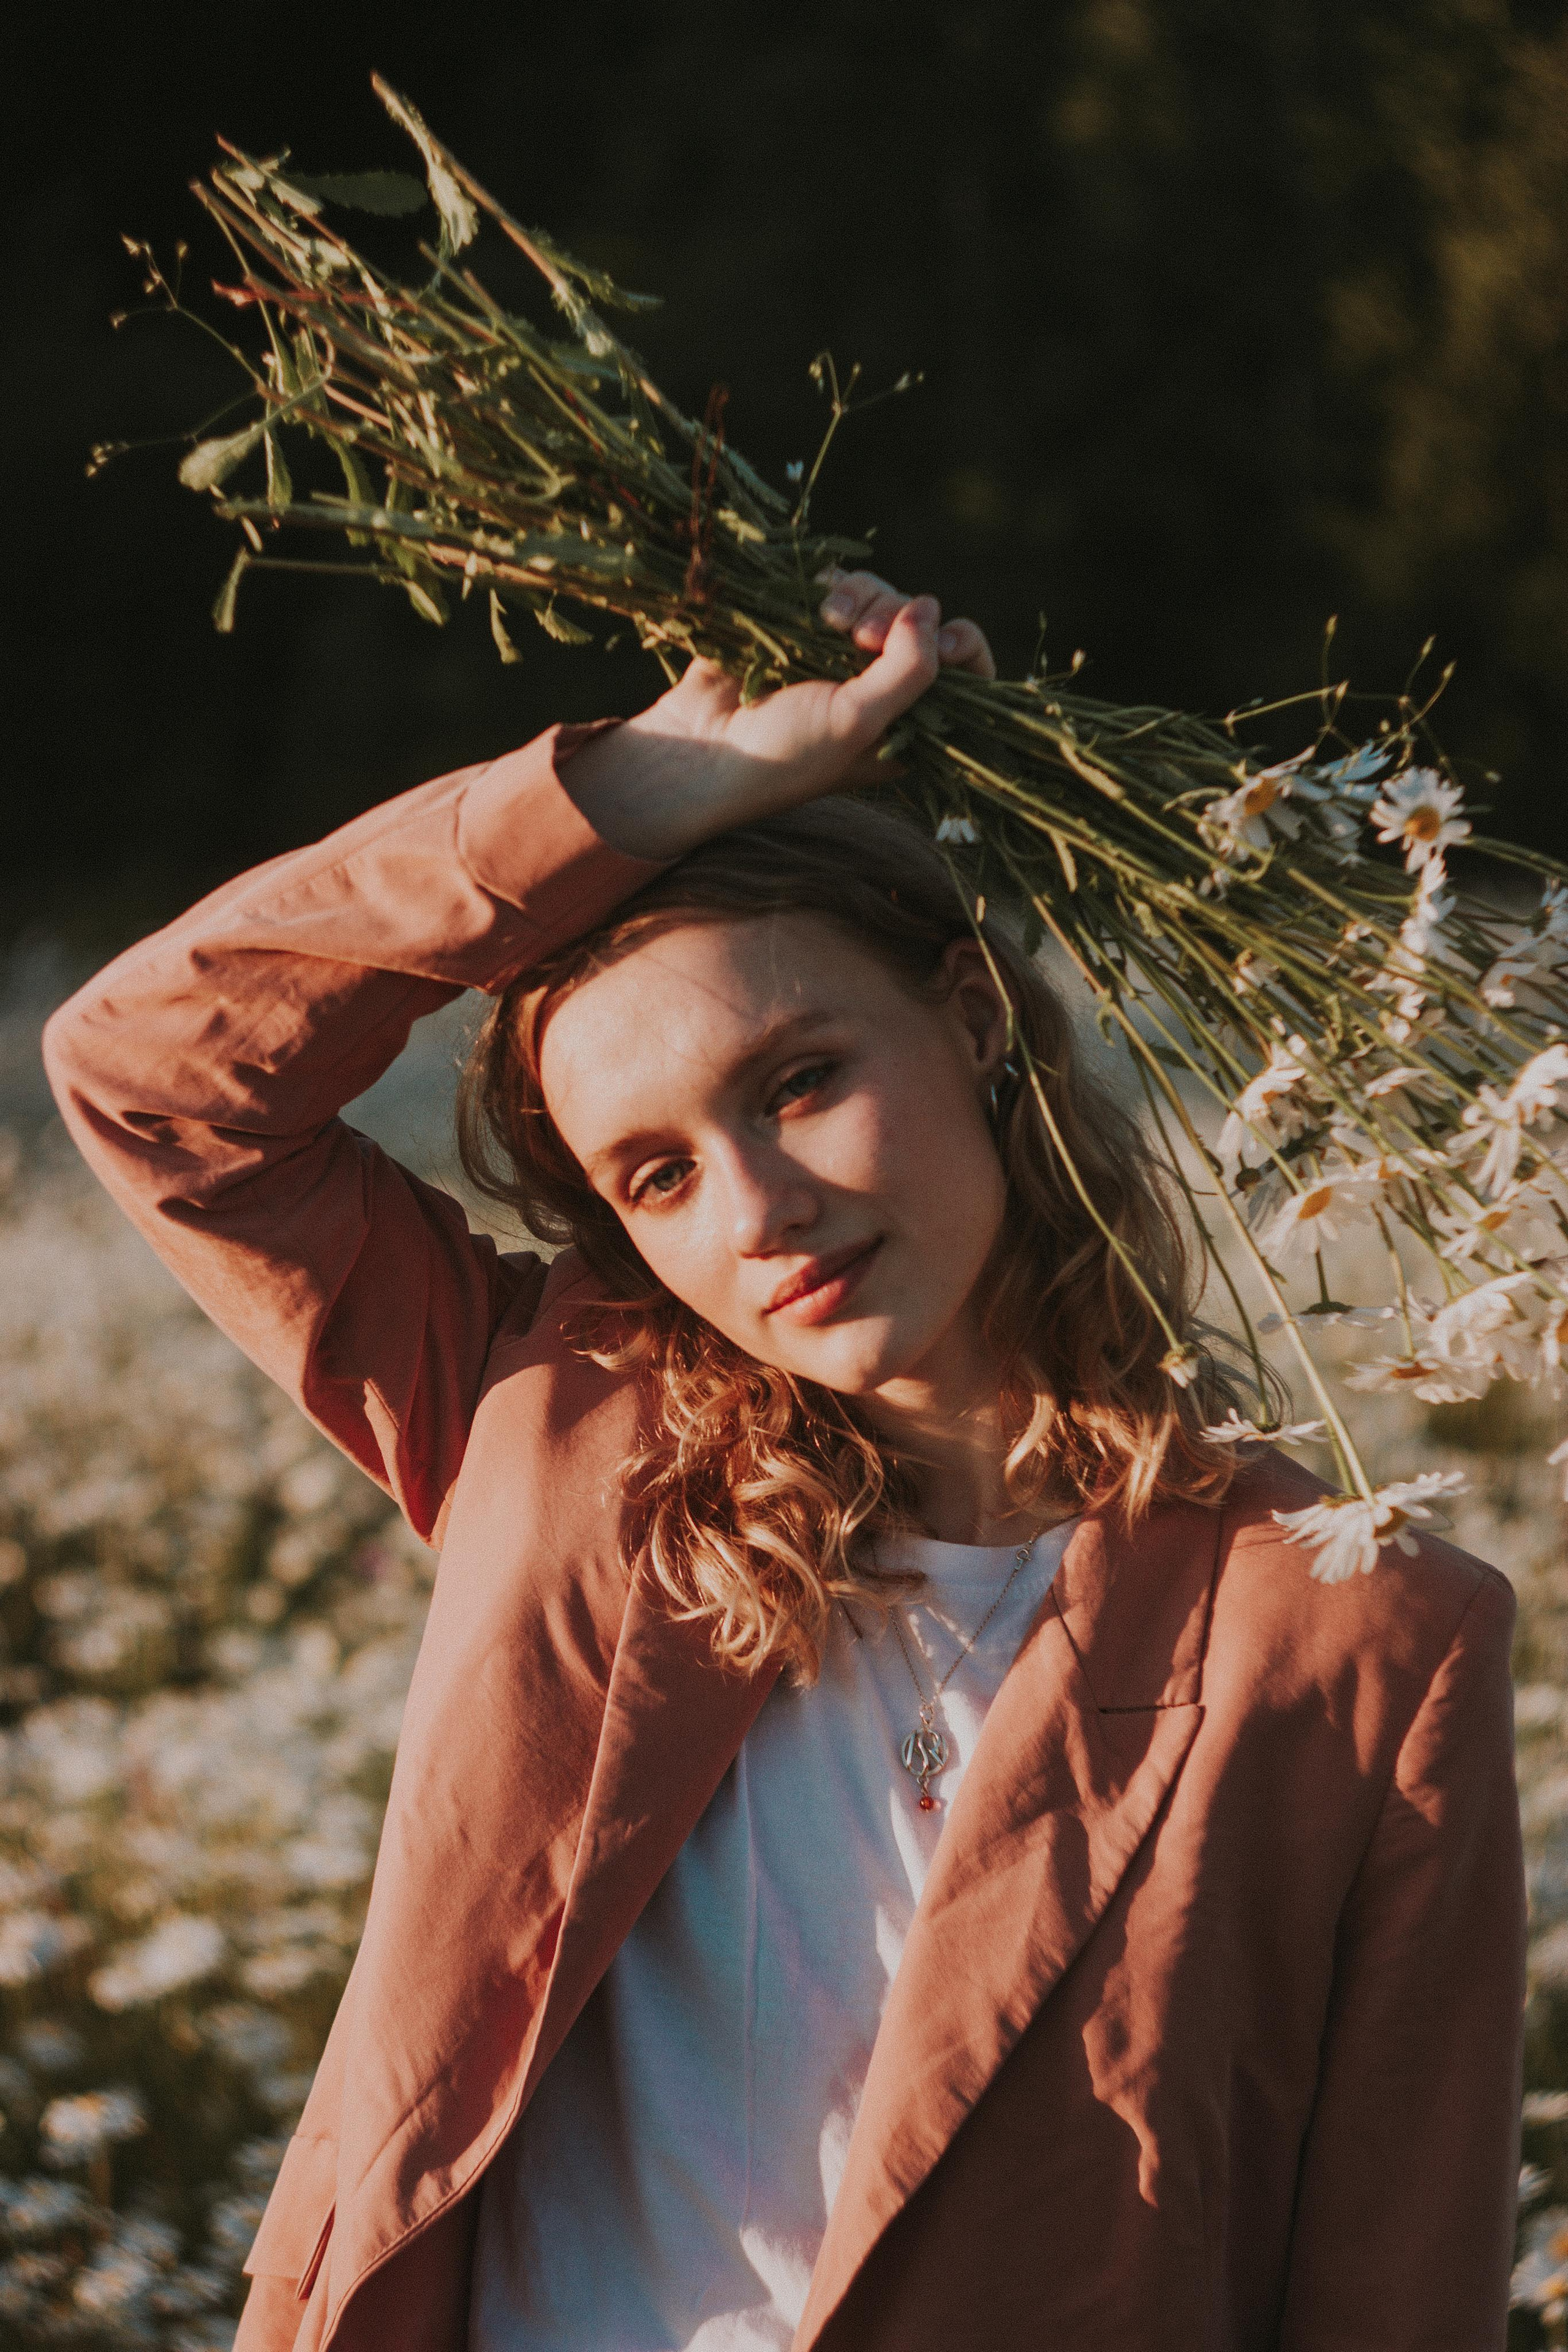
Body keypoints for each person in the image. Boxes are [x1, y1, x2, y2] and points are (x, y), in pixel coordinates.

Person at [44, 575, 1525, 2352]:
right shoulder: (560, 1428)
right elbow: (152, 1078)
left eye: (801, 1079)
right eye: (657, 1175)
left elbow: (1393, 2289)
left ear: (974, 1017)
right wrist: (635, 790)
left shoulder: (1362, 1635)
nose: (756, 1212)